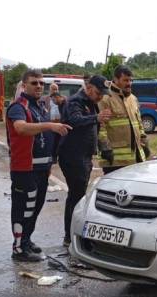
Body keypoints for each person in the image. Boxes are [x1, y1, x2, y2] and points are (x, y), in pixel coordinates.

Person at [6, 70, 71, 261]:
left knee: (36, 207)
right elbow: (21, 128)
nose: (39, 86)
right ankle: (18, 248)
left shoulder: (41, 107)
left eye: (41, 83)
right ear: (24, 86)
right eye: (34, 83)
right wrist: (49, 126)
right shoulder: (18, 106)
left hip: (42, 168)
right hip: (25, 168)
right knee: (23, 208)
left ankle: (26, 240)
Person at [58, 75, 111, 247]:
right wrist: (96, 118)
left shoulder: (91, 103)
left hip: (85, 156)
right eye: (98, 93)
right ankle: (70, 236)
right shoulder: (75, 101)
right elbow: (75, 120)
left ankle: (74, 233)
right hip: (73, 156)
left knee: (79, 196)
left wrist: (102, 147)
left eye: (102, 94)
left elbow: (95, 128)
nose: (100, 97)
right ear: (88, 88)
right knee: (76, 197)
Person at [97, 65, 148, 174]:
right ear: (115, 79)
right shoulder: (105, 99)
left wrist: (144, 139)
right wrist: (105, 147)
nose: (129, 83)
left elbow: (138, 122)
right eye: (125, 80)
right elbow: (101, 126)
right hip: (114, 160)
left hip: (135, 158)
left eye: (131, 80)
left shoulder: (133, 98)